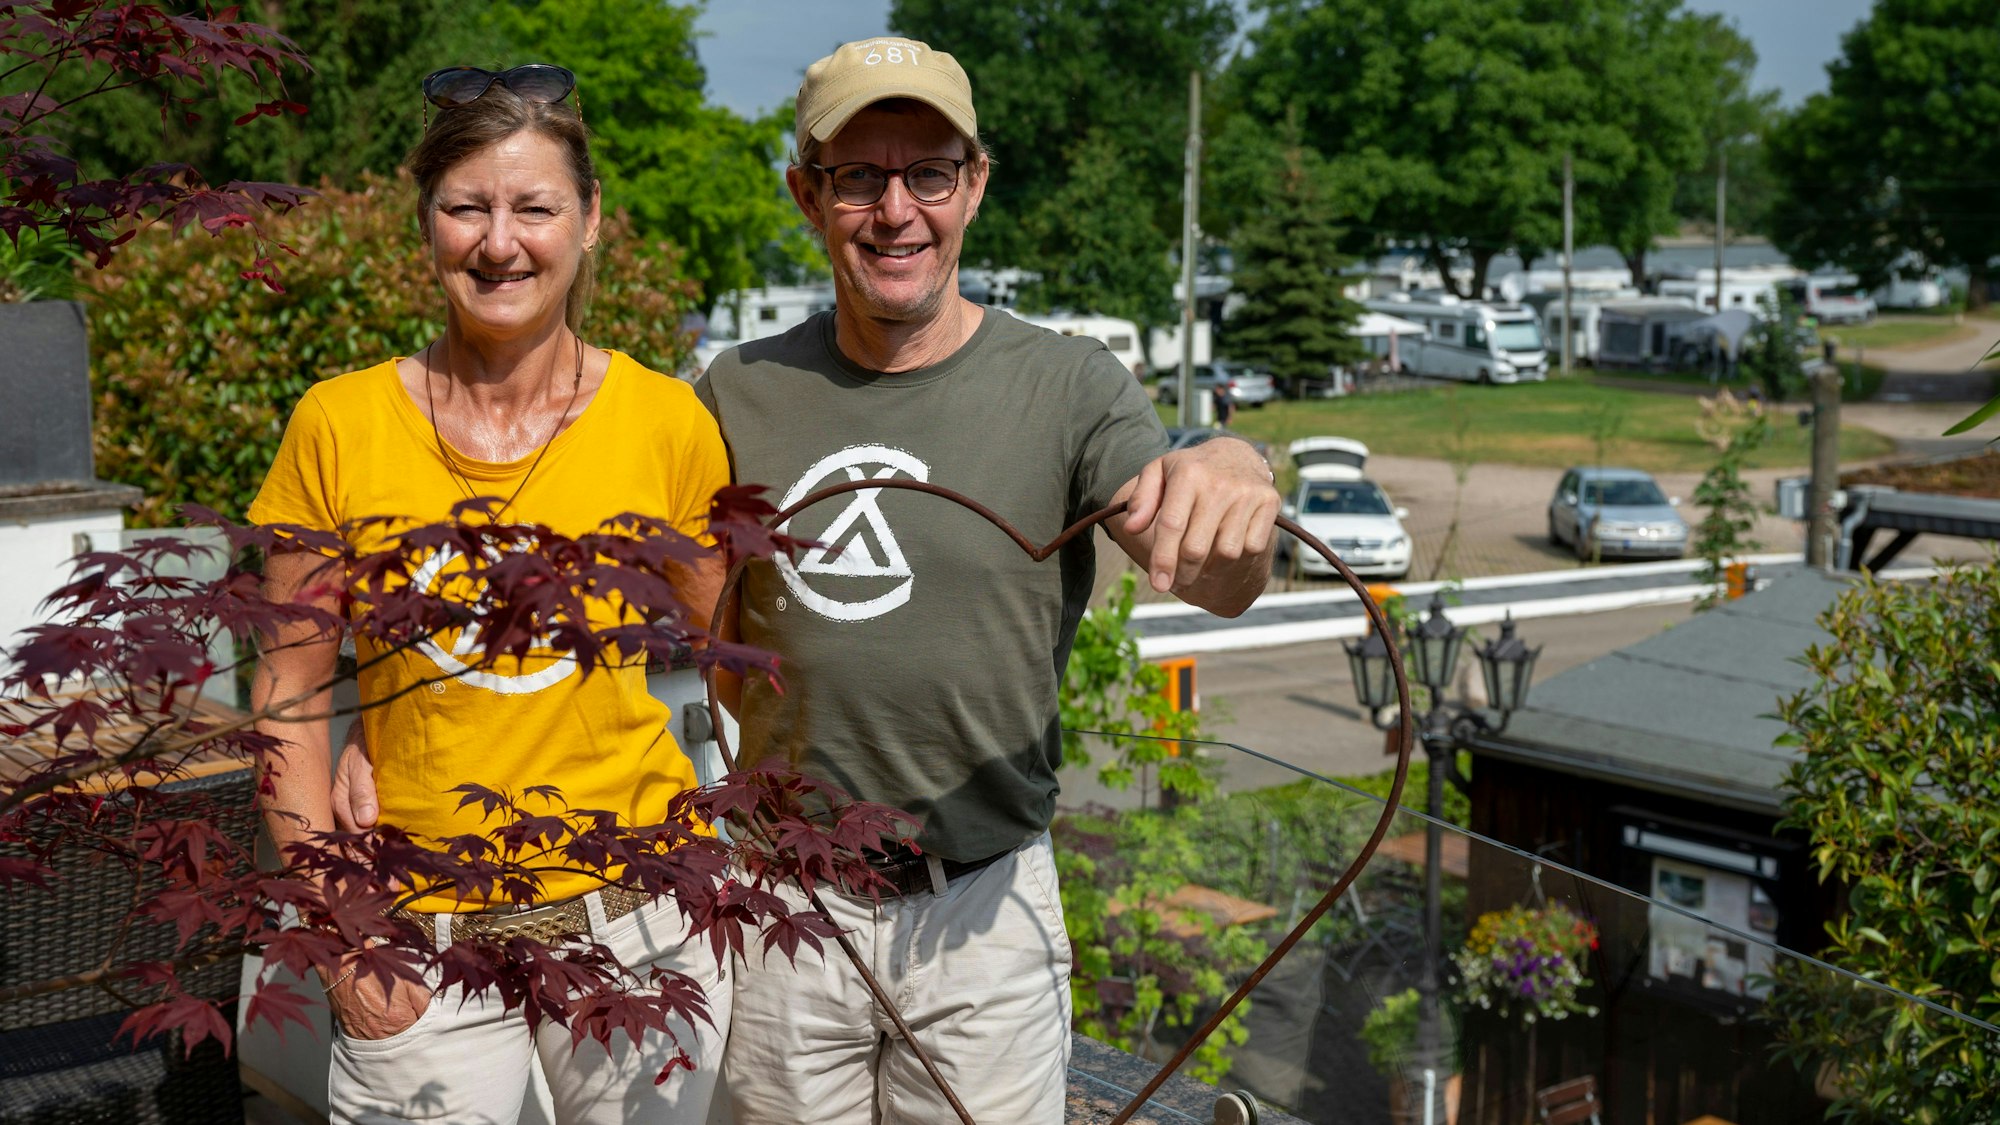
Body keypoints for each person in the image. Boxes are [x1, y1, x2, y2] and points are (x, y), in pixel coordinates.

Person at [335, 35, 1278, 1125]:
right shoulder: (731, 394)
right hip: (782, 913)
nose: (895, 211)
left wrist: (1234, 465)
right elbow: (579, 578)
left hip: (982, 911)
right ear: (804, 194)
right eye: (855, 178)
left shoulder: (1068, 386)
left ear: (973, 185)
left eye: (928, 173)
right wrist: (391, 716)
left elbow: (1211, 574)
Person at [250, 63, 730, 1125]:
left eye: (534, 207)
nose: (499, 241)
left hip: (638, 930)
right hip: (415, 938)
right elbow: (284, 699)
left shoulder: (665, 424)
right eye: (466, 207)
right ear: (425, 224)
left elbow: (743, 659)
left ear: (591, 221)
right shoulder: (339, 425)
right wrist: (338, 941)